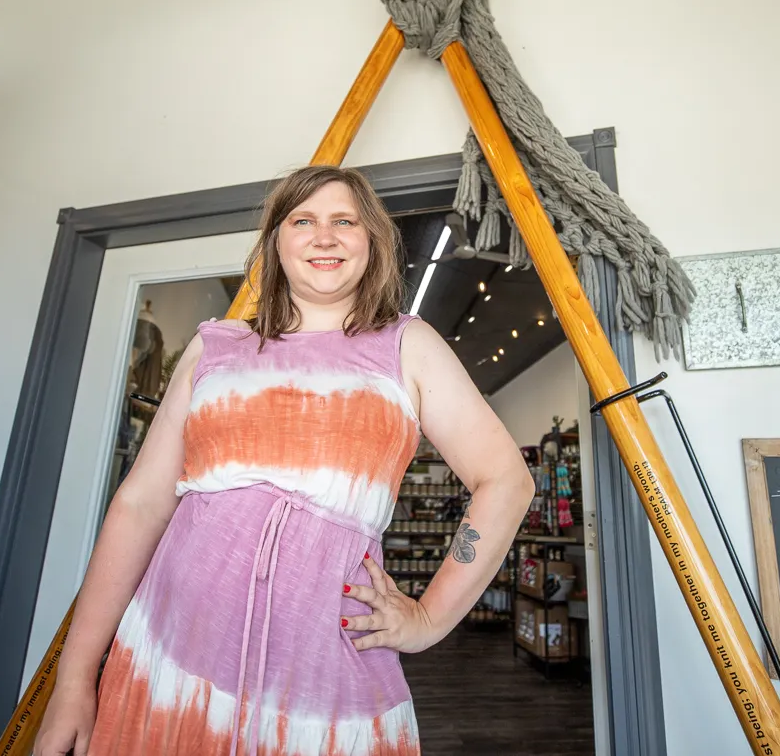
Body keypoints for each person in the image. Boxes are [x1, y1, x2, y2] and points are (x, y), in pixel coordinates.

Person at [36, 165, 537, 756]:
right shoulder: (214, 348)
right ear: (276, 241)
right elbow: (140, 505)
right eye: (303, 221)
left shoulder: (408, 345)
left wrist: (428, 619)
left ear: (372, 242)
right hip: (168, 662)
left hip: (322, 684)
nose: (324, 236)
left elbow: (505, 480)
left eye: (344, 221)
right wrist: (73, 679)